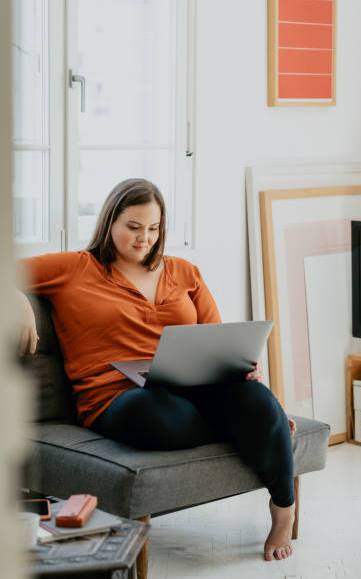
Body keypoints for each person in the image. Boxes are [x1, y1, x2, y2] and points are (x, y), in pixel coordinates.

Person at [18, 178, 297, 561]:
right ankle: (251, 427)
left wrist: (240, 368)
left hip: (194, 385)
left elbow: (217, 339)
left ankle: (283, 511)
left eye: (153, 228)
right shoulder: (75, 268)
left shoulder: (184, 272)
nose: (143, 238)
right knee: (166, 418)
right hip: (117, 396)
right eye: (133, 227)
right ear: (110, 221)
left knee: (259, 400)